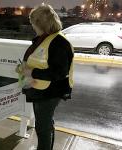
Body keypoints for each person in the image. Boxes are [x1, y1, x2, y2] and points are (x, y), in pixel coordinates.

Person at [16, 4, 74, 150]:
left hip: (49, 92)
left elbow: (59, 72)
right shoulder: (45, 38)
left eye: (34, 23)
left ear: (41, 24)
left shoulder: (59, 42)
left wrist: (31, 72)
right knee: (46, 124)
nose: (33, 27)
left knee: (43, 127)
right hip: (41, 90)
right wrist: (24, 68)